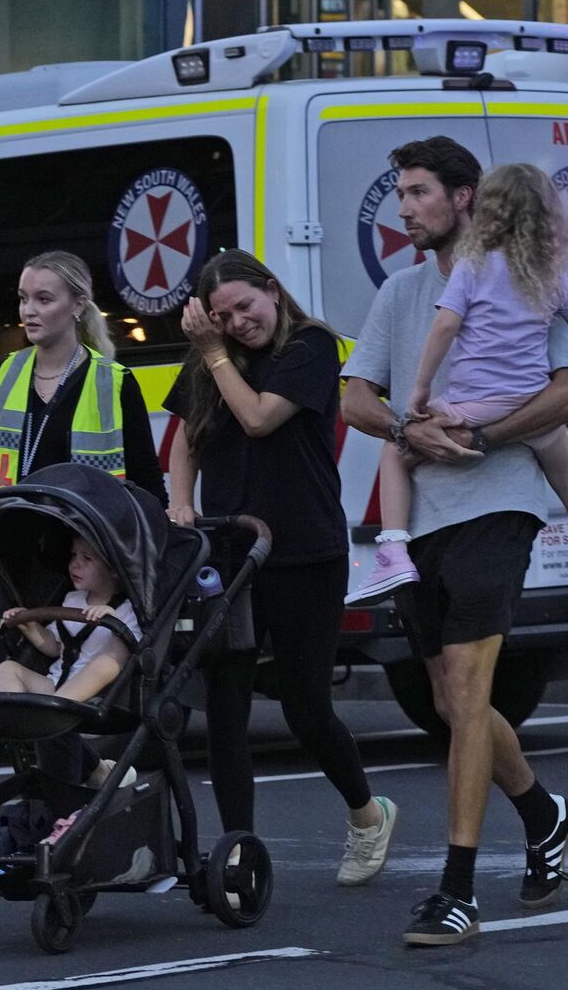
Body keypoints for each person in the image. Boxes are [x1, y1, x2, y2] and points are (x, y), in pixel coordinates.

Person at [341, 136, 568, 947]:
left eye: (416, 193)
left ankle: (456, 890)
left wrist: (484, 437)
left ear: (464, 198)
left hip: (499, 501)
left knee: (471, 691)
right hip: (420, 518)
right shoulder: (401, 291)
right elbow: (353, 397)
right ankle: (543, 813)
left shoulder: (520, 277)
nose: (404, 208)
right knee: (451, 701)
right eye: (400, 193)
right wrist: (412, 427)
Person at [162, 249, 398, 888]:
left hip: (305, 551)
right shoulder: (214, 357)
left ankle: (367, 814)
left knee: (304, 705)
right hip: (231, 553)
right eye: (221, 315)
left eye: (245, 306)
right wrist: (181, 504)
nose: (238, 322)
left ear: (272, 291)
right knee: (227, 704)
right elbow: (185, 436)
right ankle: (238, 847)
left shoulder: (313, 346)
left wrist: (213, 353)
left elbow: (261, 418)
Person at [346, 162, 568, 617]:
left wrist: (420, 390)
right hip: (531, 401)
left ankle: (393, 552)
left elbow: (445, 327)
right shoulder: (550, 276)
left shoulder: (473, 267)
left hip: (477, 404)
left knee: (397, 450)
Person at [0, 250, 166, 666]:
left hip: (81, 567)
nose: (28, 311)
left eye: (43, 300)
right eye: (22, 298)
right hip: (10, 559)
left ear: (78, 305)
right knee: (7, 687)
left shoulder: (114, 382)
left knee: (66, 696)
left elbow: (145, 482)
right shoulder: (8, 373)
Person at [0, 532, 140, 827]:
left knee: (106, 661)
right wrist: (31, 626)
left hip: (103, 693)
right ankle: (19, 721)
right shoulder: (71, 599)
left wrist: (111, 618)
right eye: (73, 556)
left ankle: (52, 710)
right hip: (57, 685)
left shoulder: (127, 607)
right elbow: (55, 648)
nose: (75, 564)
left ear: (113, 567)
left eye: (87, 558)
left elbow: (124, 653)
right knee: (7, 669)